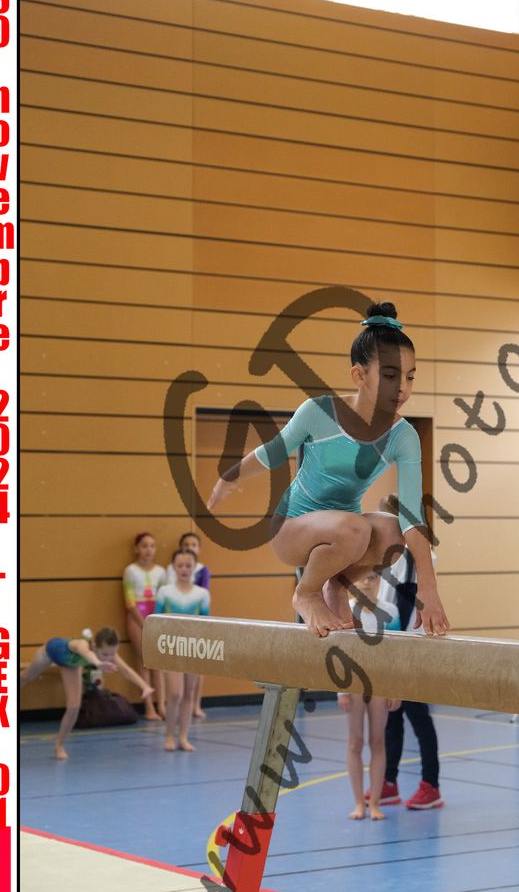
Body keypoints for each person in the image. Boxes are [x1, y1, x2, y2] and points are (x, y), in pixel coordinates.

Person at [206, 301, 449, 639]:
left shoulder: (403, 436)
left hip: (344, 537)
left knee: (393, 532)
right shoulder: (319, 412)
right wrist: (228, 477)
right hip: (291, 527)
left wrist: (429, 588)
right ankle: (306, 592)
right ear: (359, 375)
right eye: (390, 376)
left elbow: (412, 516)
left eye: (409, 377)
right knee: (355, 528)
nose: (403, 388)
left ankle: (336, 583)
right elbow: (273, 452)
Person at [372, 495, 444, 811]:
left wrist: (396, 657)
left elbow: (405, 604)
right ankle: (388, 782)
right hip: (392, 644)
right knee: (392, 716)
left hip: (410, 648)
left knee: (417, 715)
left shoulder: (417, 553)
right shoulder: (390, 555)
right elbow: (387, 603)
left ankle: (431, 785)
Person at [20, 627, 153, 760]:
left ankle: (59, 745)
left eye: (112, 654)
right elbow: (87, 654)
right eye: (105, 654)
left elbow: (126, 670)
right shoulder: (82, 644)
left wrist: (144, 686)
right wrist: (98, 663)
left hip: (71, 664)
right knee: (26, 677)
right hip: (51, 652)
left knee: (74, 707)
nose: (109, 658)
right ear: (94, 646)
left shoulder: (108, 653)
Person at [339, 570, 400, 819]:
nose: (366, 582)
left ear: (380, 581)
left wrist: (396, 688)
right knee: (355, 742)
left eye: (372, 577)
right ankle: (358, 803)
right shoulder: (345, 610)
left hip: (380, 683)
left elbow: (395, 653)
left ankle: (374, 802)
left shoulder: (390, 611)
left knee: (377, 741)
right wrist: (341, 690)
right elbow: (338, 653)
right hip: (352, 683)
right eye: (362, 577)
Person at [155, 549, 211, 751]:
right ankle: (169, 735)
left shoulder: (202, 594)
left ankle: (184, 737)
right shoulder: (165, 592)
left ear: (194, 568)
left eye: (188, 566)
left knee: (188, 693)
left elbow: (206, 623)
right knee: (175, 694)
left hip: (193, 647)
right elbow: (156, 621)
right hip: (171, 647)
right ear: (173, 568)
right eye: (180, 566)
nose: (184, 569)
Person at [166, 530, 212, 719]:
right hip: (176, 624)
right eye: (186, 545)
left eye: (193, 545)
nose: (190, 548)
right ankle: (172, 706)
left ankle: (196, 703)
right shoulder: (172, 570)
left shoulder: (202, 570)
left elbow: (203, 594)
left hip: (195, 622)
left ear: (199, 548)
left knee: (197, 669)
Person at [122, 532, 166, 720]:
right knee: (144, 661)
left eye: (152, 546)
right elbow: (130, 602)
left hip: (155, 618)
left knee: (159, 663)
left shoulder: (161, 572)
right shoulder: (130, 571)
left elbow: (163, 598)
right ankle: (149, 707)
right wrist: (143, 623)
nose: (149, 550)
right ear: (136, 549)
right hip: (136, 618)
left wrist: (157, 621)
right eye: (144, 546)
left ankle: (162, 705)